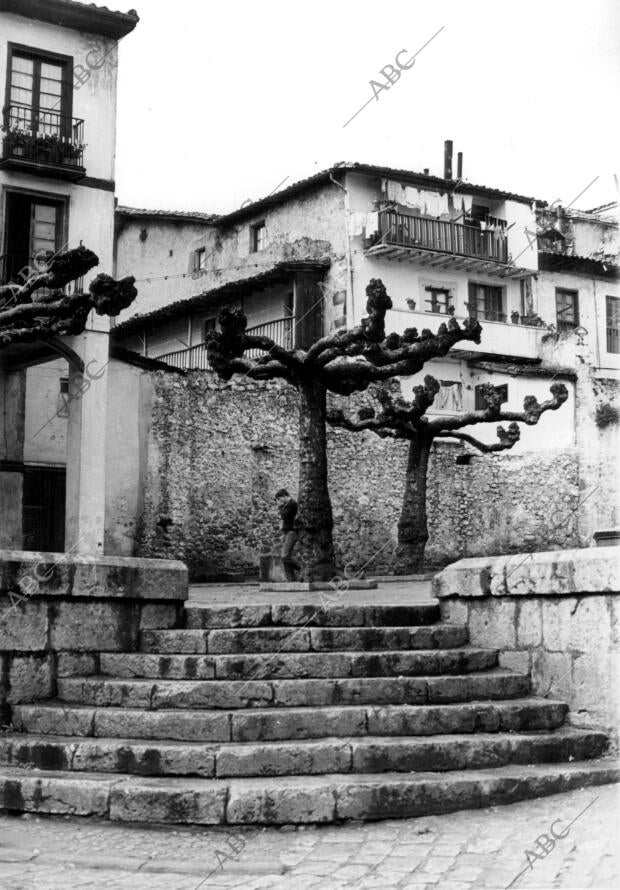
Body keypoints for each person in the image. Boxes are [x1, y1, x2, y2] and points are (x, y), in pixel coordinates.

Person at [275, 488, 299, 580]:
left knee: (285, 556)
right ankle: (291, 578)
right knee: (285, 557)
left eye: (279, 499)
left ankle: (301, 568)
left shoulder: (292, 504)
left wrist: (280, 507)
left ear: (284, 496)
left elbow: (284, 516)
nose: (279, 501)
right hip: (286, 532)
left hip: (292, 532)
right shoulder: (287, 505)